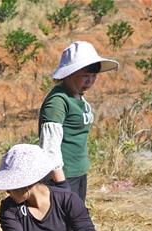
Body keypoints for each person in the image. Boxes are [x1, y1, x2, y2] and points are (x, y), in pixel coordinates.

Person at [39, 41, 119, 204]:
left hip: (78, 173)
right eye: (84, 76)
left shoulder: (78, 96)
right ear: (69, 73)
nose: (90, 81)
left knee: (75, 224)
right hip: (64, 176)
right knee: (65, 226)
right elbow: (49, 148)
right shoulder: (57, 102)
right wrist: (61, 184)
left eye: (93, 76)